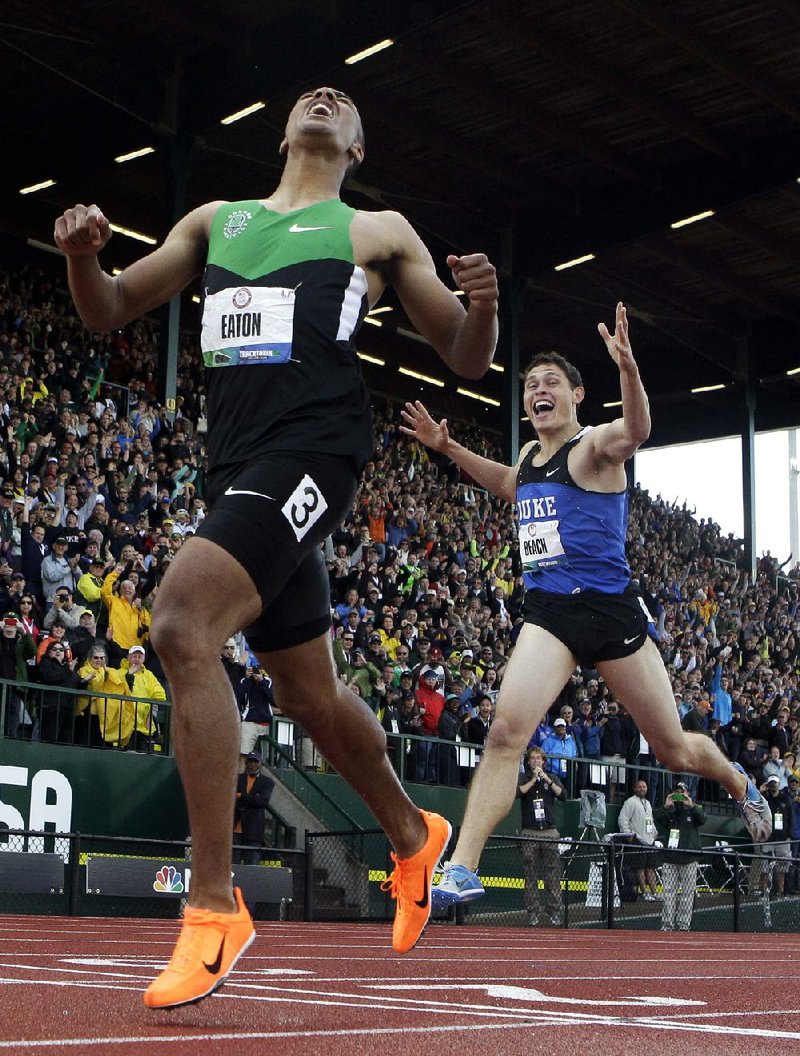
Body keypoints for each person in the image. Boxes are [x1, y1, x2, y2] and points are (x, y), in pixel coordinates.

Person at [56, 83, 498, 1008]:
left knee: (180, 624)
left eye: (343, 100)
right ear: (284, 128)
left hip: (316, 451)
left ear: (358, 146)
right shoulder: (219, 220)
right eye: (312, 92)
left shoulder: (377, 231)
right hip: (239, 466)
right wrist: (80, 258)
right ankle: (415, 839)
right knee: (308, 692)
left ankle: (214, 910)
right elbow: (107, 310)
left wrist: (483, 307)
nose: (326, 95)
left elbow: (463, 355)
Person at [399, 303, 771, 908]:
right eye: (529, 386)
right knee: (504, 733)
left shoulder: (594, 446)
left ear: (575, 395)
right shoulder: (528, 459)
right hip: (550, 614)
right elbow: (504, 482)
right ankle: (463, 867)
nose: (537, 391)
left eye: (550, 383)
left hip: (612, 614)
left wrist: (629, 369)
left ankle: (736, 780)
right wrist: (449, 448)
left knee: (674, 748)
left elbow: (638, 431)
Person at [517, 747, 564, 926]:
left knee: (552, 872)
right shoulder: (524, 778)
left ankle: (554, 910)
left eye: (539, 758)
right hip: (530, 830)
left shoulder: (552, 777)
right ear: (528, 762)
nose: (536, 761)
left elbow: (563, 795)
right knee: (530, 873)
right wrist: (534, 780)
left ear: (544, 761)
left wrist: (546, 779)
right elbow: (518, 793)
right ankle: (533, 911)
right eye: (532, 759)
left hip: (549, 831)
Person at [655, 781, 706, 931]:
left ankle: (684, 924)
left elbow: (702, 819)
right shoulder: (670, 811)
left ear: (688, 793)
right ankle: (667, 924)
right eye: (677, 792)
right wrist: (666, 805)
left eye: (682, 792)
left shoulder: (695, 808)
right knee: (668, 893)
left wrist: (691, 805)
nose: (680, 795)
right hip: (670, 857)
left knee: (687, 894)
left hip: (689, 857)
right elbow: (659, 820)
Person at [617, 778, 660, 901]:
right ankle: (645, 893)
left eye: (644, 787)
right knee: (640, 868)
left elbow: (650, 820)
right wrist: (628, 835)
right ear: (635, 789)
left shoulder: (648, 803)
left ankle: (654, 893)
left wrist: (654, 833)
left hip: (649, 841)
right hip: (638, 840)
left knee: (651, 868)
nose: (642, 789)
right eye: (639, 787)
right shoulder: (630, 802)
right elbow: (623, 819)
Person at [233, 753, 275, 865]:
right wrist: (253, 798)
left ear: (260, 764)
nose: (252, 765)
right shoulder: (237, 778)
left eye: (255, 762)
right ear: (246, 763)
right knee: (232, 865)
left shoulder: (267, 782)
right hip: (235, 828)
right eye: (250, 762)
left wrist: (241, 796)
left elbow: (263, 801)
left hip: (253, 830)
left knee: (251, 866)